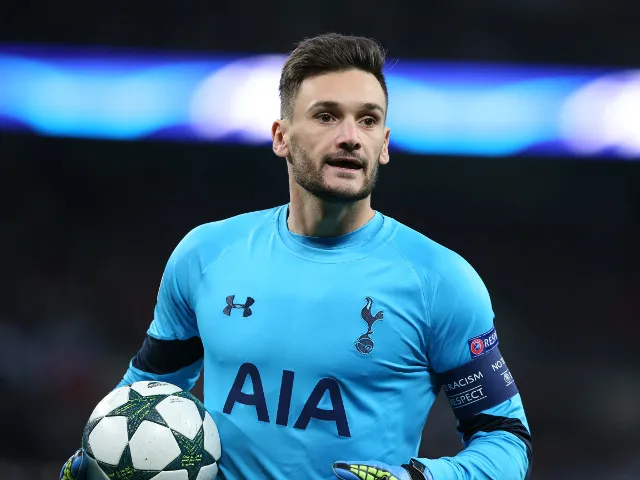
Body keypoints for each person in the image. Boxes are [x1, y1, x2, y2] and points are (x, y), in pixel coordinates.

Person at [60, 33, 532, 480]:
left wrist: (419, 476)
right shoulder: (205, 254)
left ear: (385, 145)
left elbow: (505, 438)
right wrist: (100, 458)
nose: (351, 136)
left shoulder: (440, 281)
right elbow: (145, 393)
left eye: (368, 120)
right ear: (281, 136)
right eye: (326, 116)